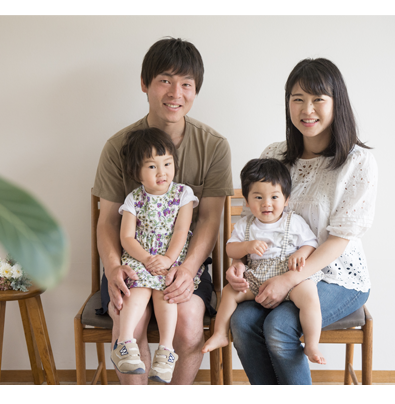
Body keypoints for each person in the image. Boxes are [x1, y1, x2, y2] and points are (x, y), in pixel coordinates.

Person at [226, 58, 378, 384]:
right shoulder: (274, 155)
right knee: (241, 322)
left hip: (337, 277)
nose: (307, 109)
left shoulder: (357, 162)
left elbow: (340, 239)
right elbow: (251, 220)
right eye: (298, 99)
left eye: (318, 99)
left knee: (279, 326)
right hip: (270, 272)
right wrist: (238, 263)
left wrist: (289, 280)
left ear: (337, 103)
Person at [93, 37, 233, 385]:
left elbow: (209, 218)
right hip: (130, 263)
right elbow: (107, 221)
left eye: (186, 84)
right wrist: (113, 268)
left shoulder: (214, 146)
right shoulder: (117, 146)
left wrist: (186, 268)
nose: (175, 93)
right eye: (165, 81)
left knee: (188, 322)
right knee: (129, 320)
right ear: (145, 83)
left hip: (186, 263)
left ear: (196, 90)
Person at [202, 158, 326, 365]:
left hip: (288, 276)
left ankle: (312, 344)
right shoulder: (245, 225)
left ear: (286, 199)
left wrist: (301, 253)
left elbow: (312, 243)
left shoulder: (293, 221)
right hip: (257, 276)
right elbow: (230, 248)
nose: (266, 203)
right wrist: (246, 247)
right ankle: (220, 333)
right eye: (258, 197)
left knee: (309, 293)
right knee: (230, 292)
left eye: (274, 197)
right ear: (247, 201)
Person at [111, 128, 200, 383]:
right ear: (136, 172)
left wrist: (168, 259)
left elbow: (181, 231)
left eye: (167, 163)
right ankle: (124, 343)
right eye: (152, 166)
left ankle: (166, 350)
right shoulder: (134, 199)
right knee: (136, 291)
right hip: (140, 258)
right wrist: (146, 259)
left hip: (171, 258)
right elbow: (127, 237)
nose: (162, 172)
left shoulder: (182, 194)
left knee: (167, 293)